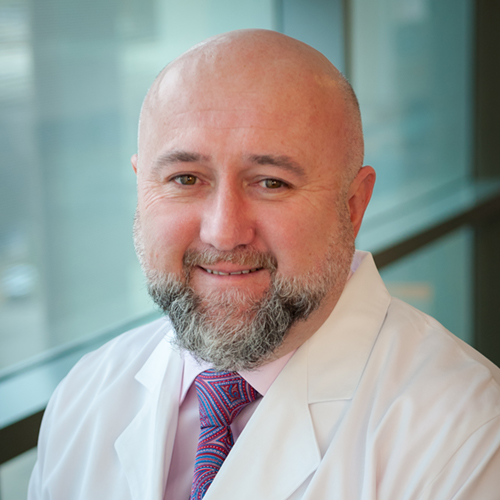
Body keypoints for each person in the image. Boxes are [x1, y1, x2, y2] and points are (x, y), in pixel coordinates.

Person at [28, 29, 500, 500]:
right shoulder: (84, 395)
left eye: (271, 183)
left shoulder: (469, 437)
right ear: (141, 188)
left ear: (353, 206)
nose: (223, 232)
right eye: (185, 178)